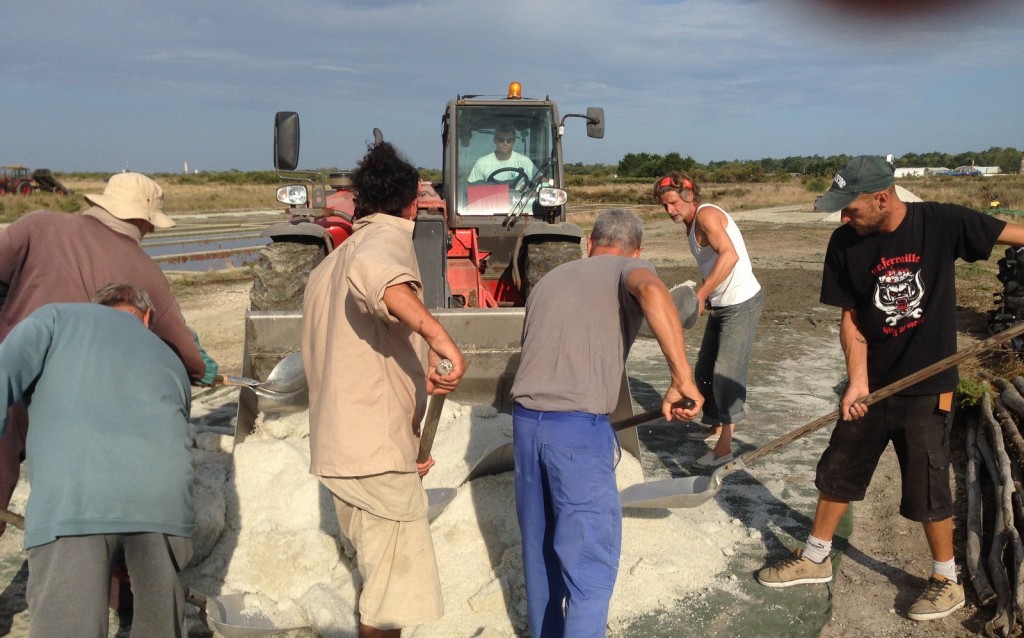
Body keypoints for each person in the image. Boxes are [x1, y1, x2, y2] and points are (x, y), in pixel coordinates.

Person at [755, 155, 1024, 621]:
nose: (843, 216)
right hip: (872, 383)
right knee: (839, 466)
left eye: (850, 207)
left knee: (927, 483)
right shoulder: (844, 244)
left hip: (929, 384)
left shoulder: (941, 222)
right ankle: (815, 557)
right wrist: (857, 380)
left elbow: (1015, 233)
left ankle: (946, 579)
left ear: (882, 198)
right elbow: (852, 318)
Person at [510, 208, 703, 637]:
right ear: (636, 249)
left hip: (526, 426)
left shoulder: (549, 281)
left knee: (542, 560)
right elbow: (652, 290)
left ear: (591, 243)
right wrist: (682, 379)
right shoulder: (630, 267)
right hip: (577, 433)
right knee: (589, 571)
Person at [302, 141, 467, 638]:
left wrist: (404, 443)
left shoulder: (328, 264)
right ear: (412, 204)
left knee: (375, 577)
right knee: (389, 600)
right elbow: (380, 279)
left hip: (345, 451)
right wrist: (441, 339)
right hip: (373, 456)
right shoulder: (385, 241)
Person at [0, 172, 216, 538]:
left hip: (11, 371)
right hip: (75, 400)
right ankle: (111, 580)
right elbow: (182, 350)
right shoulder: (143, 270)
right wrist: (199, 367)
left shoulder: (37, 224)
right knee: (87, 508)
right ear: (145, 221)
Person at [0, 283, 194, 638]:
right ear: (146, 317)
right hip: (164, 506)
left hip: (76, 499)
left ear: (96, 307)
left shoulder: (56, 317)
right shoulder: (169, 357)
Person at [654, 172, 764, 468]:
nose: (670, 211)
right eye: (665, 206)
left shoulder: (707, 216)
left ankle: (725, 448)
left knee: (726, 373)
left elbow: (729, 257)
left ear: (689, 196)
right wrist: (703, 296)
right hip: (722, 303)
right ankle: (714, 425)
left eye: (674, 203)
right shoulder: (691, 224)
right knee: (704, 368)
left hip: (741, 303)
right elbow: (711, 263)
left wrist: (701, 293)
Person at [467, 122, 539, 186]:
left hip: (520, 201)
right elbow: (470, 188)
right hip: (491, 200)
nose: (505, 143)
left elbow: (541, 181)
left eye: (509, 140)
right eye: (501, 140)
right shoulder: (482, 163)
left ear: (514, 141)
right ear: (495, 140)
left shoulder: (525, 162)